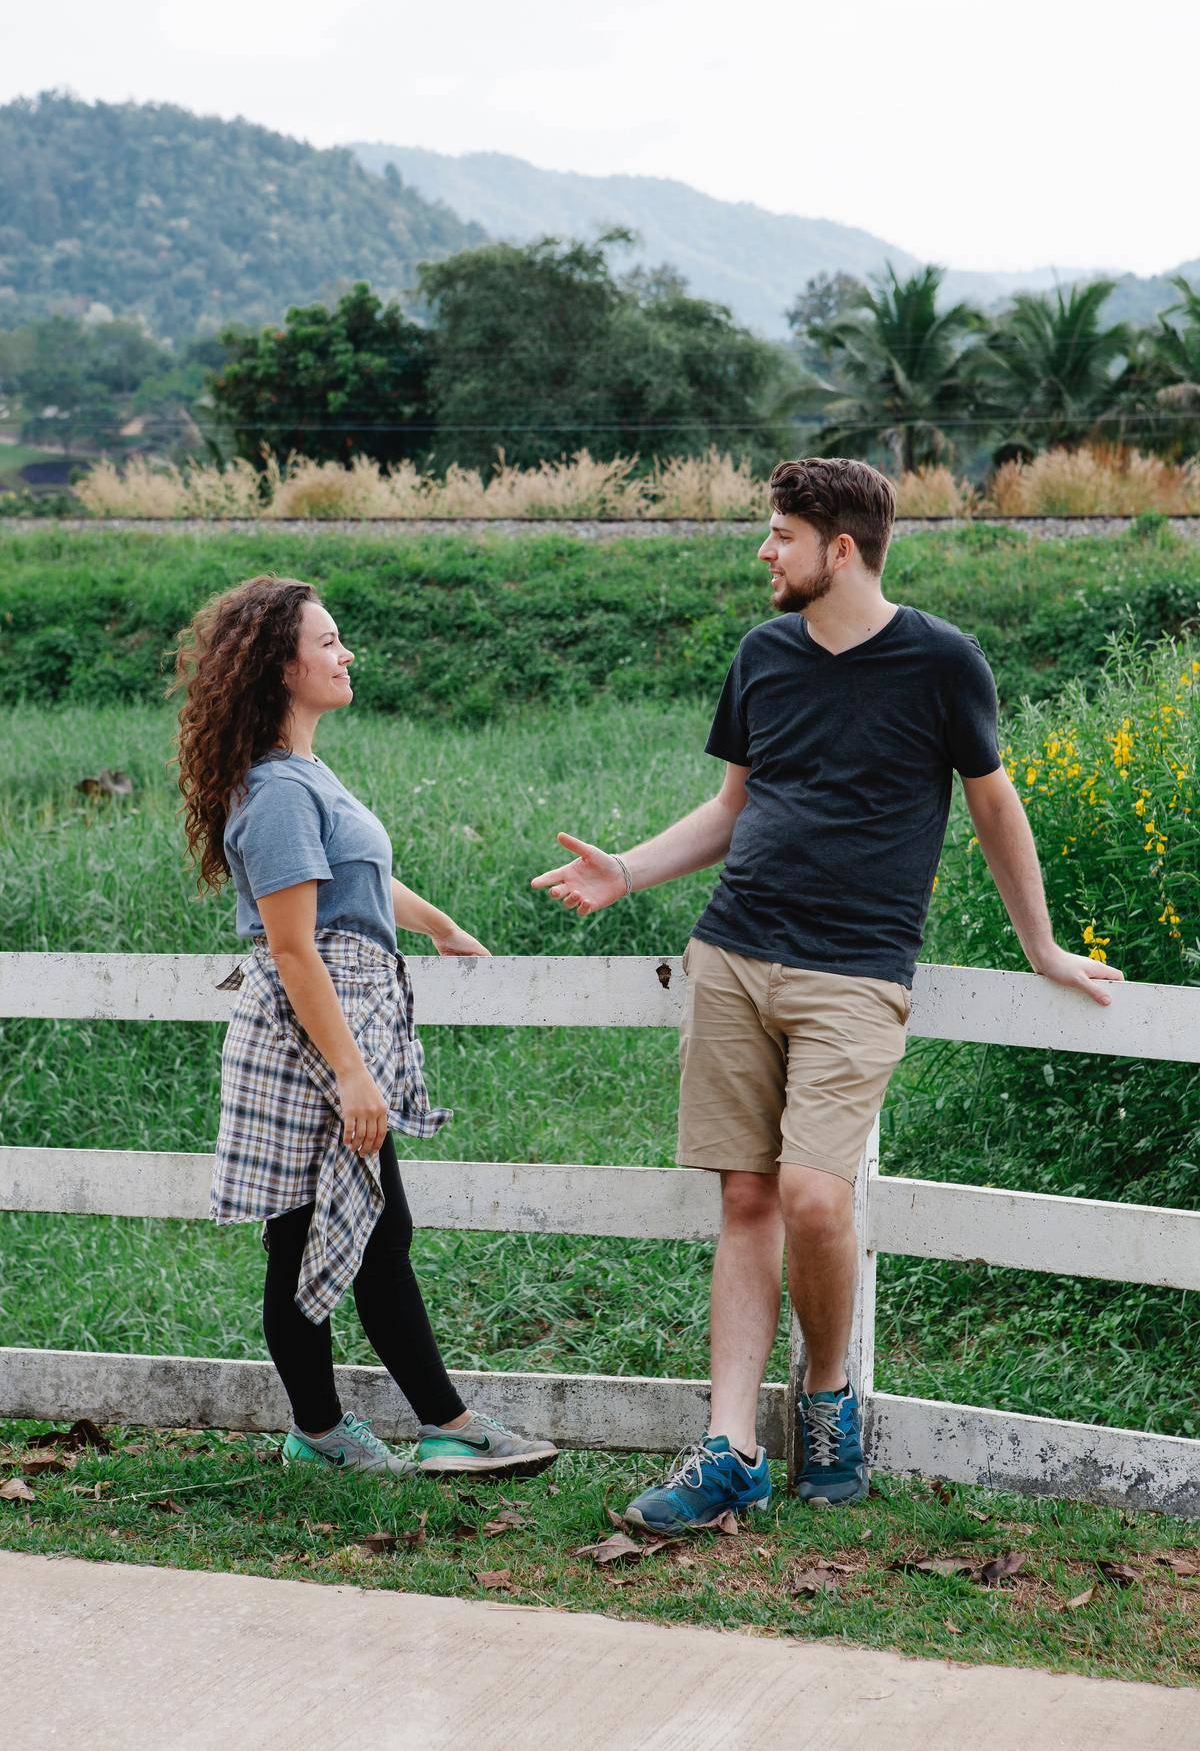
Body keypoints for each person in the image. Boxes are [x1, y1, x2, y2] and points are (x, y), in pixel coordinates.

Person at [532, 456, 1123, 1533]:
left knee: (814, 1196)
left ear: (837, 549)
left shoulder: (943, 661)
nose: (764, 551)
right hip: (735, 952)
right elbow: (731, 811)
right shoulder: (763, 655)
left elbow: (996, 809)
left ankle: (827, 1399)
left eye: (780, 535)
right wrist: (627, 868)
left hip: (856, 973)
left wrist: (1041, 947)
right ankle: (731, 1450)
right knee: (745, 1200)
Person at [170, 574, 557, 1480]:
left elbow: (356, 882)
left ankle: (391, 1427)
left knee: (362, 1229)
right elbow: (295, 945)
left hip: (341, 1019)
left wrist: (443, 929)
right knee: (320, 1229)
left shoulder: (305, 778)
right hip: (311, 1036)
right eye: (330, 641)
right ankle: (370, 1428)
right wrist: (351, 1074)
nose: (346, 655)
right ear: (281, 666)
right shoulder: (272, 794)